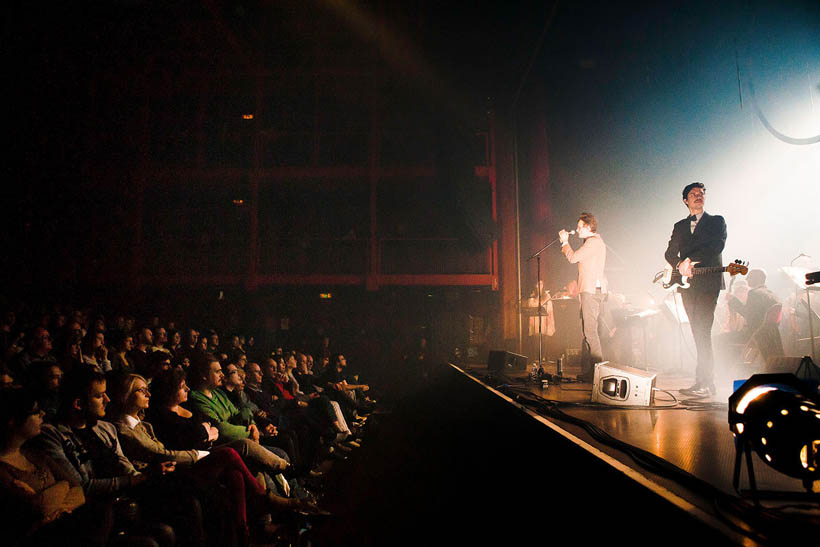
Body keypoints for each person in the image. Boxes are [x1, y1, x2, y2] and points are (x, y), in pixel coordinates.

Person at [664, 182, 726, 397]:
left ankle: (707, 382)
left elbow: (716, 246)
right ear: (685, 200)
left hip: (708, 282)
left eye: (701, 193)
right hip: (687, 285)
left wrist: (688, 260)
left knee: (703, 331)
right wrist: (679, 263)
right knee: (696, 331)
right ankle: (701, 381)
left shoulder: (716, 221)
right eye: (693, 194)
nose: (698, 196)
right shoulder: (679, 225)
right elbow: (670, 252)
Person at [559, 212, 608, 382]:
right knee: (588, 333)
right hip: (589, 290)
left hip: (591, 291)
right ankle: (591, 372)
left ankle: (598, 373)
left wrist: (565, 242)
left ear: (588, 227)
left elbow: (573, 258)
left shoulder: (593, 243)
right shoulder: (593, 242)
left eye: (580, 227)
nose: (577, 229)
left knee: (590, 332)